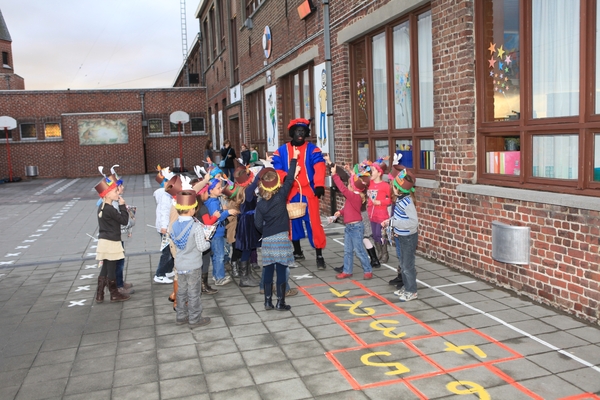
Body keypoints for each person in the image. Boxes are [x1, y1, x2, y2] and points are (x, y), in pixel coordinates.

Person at [272, 118, 327, 269]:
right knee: (291, 223)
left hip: (309, 191)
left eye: (303, 131)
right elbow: (277, 169)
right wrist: (286, 179)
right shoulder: (282, 151)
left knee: (314, 223)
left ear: (306, 133)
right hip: (290, 192)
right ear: (292, 132)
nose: (300, 133)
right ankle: (297, 251)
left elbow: (320, 166)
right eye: (297, 130)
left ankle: (319, 255)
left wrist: (320, 184)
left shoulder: (312, 149)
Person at [255, 146, 300, 311]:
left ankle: (267, 302)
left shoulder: (260, 204)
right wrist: (294, 158)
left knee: (267, 270)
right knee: (281, 269)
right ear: (276, 184)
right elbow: (289, 179)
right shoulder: (281, 197)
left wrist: (265, 232)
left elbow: (258, 224)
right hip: (281, 238)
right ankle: (280, 301)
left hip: (267, 240)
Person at [171, 190, 212, 328]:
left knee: (181, 291)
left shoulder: (175, 225)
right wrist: (207, 240)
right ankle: (195, 318)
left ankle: (181, 316)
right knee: (194, 293)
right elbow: (202, 247)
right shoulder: (196, 227)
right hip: (193, 265)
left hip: (180, 264)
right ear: (192, 209)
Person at [382, 168, 419, 302]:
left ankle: (412, 290)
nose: (392, 188)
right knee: (402, 264)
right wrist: (391, 223)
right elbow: (398, 218)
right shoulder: (400, 199)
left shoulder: (407, 202)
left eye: (394, 186)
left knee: (407, 265)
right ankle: (406, 286)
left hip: (408, 238)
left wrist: (395, 223)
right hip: (402, 236)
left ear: (399, 189)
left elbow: (413, 223)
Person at [331, 167, 373, 280]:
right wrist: (340, 212)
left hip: (356, 228)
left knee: (359, 250)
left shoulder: (355, 196)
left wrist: (335, 175)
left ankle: (368, 270)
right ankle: (347, 271)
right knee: (347, 250)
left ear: (353, 187)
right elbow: (348, 209)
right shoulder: (353, 197)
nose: (348, 185)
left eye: (350, 183)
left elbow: (343, 189)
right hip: (349, 227)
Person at [94, 175, 130, 303]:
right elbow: (124, 221)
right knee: (111, 269)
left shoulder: (102, 207)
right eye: (115, 191)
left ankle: (99, 294)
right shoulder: (110, 209)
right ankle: (114, 293)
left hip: (104, 241)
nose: (117, 193)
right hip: (112, 241)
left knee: (105, 268)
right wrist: (122, 206)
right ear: (108, 194)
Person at [205, 177, 239, 285]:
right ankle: (219, 277)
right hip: (216, 233)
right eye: (218, 188)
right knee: (219, 255)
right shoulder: (213, 203)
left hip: (216, 232)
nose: (221, 190)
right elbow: (217, 217)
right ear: (211, 190)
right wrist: (227, 212)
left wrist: (223, 209)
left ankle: (217, 275)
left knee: (216, 255)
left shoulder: (214, 200)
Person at [153, 172, 179, 284]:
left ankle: (168, 270)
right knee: (167, 252)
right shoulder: (165, 196)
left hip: (168, 227)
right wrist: (164, 226)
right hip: (165, 228)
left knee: (172, 251)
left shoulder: (168, 194)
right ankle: (160, 274)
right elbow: (164, 212)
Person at [367, 158, 392, 264]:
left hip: (381, 214)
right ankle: (379, 252)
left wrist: (380, 202)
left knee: (380, 234)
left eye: (372, 170)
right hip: (371, 213)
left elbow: (390, 199)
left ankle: (385, 253)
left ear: (379, 172)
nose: (370, 172)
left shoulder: (385, 185)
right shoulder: (369, 183)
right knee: (374, 234)